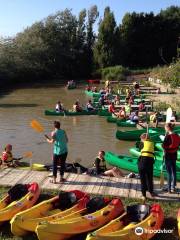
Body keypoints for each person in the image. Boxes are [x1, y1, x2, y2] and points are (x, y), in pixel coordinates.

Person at [162, 123, 180, 193]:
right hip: (174, 155)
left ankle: (169, 189)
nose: (164, 128)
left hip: (168, 156)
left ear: (167, 128)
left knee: (169, 172)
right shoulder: (177, 135)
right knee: (174, 171)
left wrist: (163, 146)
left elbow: (163, 146)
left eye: (165, 127)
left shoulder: (168, 136)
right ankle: (173, 187)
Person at [138, 133, 156, 201]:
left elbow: (140, 149)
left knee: (143, 179)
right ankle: (151, 192)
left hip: (142, 162)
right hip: (150, 162)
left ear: (143, 139)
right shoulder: (152, 143)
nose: (140, 140)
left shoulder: (141, 143)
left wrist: (142, 142)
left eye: (141, 139)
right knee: (149, 178)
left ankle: (143, 195)